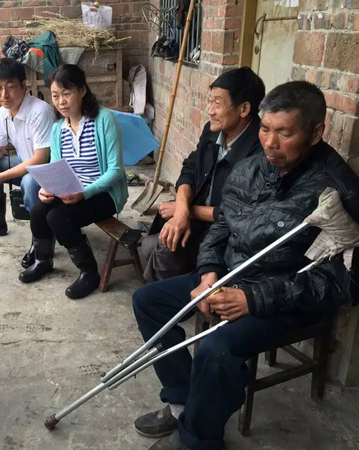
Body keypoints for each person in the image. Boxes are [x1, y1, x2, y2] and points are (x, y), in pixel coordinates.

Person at [131, 81, 359, 450]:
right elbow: (222, 227)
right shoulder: (251, 168)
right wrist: (208, 273)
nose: (270, 143)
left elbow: (342, 281)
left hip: (287, 301)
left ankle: (198, 440)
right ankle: (185, 401)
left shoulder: (339, 191)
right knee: (148, 301)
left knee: (216, 349)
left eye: (284, 133)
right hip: (231, 274)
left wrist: (252, 299)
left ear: (316, 132)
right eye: (265, 129)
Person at [141, 67, 265, 283]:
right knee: (150, 245)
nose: (210, 110)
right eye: (210, 101)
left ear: (244, 109)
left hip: (227, 237)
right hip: (197, 221)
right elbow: (189, 170)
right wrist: (181, 211)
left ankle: (163, 296)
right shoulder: (213, 131)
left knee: (161, 249)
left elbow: (242, 214)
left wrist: (187, 211)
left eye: (217, 103)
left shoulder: (260, 151)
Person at [19, 64, 128, 299]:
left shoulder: (104, 120)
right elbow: (56, 168)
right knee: (39, 210)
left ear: (83, 90)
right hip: (71, 190)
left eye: (66, 93)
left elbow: (116, 171)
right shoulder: (58, 129)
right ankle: (42, 260)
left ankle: (89, 272)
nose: (61, 102)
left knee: (58, 217)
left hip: (103, 194)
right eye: (55, 96)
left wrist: (84, 193)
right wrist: (47, 188)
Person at [0, 58, 55, 264]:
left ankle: (41, 242)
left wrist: (1, 177)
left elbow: (40, 159)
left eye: (10, 87)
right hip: (26, 163)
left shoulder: (40, 111)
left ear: (24, 86)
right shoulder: (2, 113)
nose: (4, 95)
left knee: (29, 182)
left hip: (47, 170)